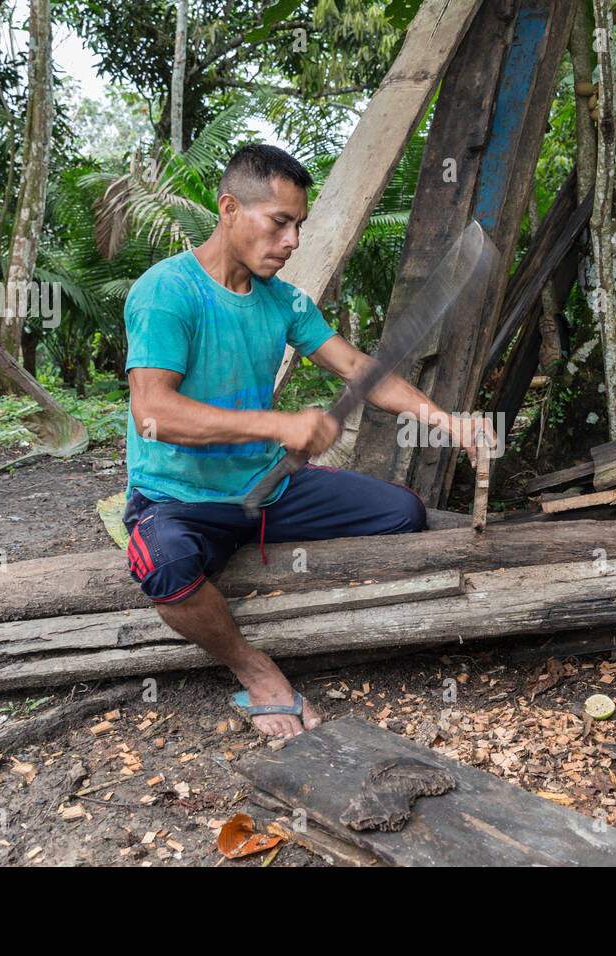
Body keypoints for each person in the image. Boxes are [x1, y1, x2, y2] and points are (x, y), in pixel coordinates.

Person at [123, 143, 494, 739]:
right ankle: (255, 669)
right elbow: (153, 414)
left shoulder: (284, 301)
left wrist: (447, 420)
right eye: (280, 222)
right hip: (178, 496)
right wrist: (280, 424)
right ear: (228, 209)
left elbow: (357, 367)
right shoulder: (167, 292)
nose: (292, 240)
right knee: (166, 565)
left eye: (298, 225)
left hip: (267, 488)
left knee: (403, 513)